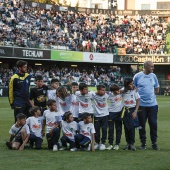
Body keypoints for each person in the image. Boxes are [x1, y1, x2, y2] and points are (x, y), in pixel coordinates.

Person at [133, 61, 160, 150]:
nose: (153, 68)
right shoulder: (137, 76)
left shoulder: (154, 76)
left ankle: (154, 143)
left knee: (153, 124)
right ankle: (143, 143)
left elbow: (157, 89)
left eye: (153, 66)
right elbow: (134, 88)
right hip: (141, 105)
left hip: (153, 105)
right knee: (142, 124)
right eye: (151, 66)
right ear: (146, 67)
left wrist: (151, 95)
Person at [122, 78, 140, 151]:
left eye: (132, 83)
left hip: (132, 110)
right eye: (130, 84)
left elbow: (138, 100)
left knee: (132, 127)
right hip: (125, 110)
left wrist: (135, 111)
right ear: (126, 84)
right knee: (126, 127)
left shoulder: (135, 91)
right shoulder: (123, 90)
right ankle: (128, 143)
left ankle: (132, 143)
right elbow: (115, 91)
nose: (132, 85)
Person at [106, 84, 123, 151]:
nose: (118, 91)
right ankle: (110, 144)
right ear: (112, 91)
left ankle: (117, 144)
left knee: (118, 129)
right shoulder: (109, 94)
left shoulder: (121, 92)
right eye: (116, 90)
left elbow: (126, 87)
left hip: (119, 113)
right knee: (111, 129)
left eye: (118, 90)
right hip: (111, 113)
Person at [93, 85, 109, 151]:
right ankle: (97, 142)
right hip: (97, 115)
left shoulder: (107, 94)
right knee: (96, 129)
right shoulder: (93, 95)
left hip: (105, 115)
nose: (104, 91)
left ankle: (103, 143)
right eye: (102, 90)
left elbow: (119, 91)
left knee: (104, 129)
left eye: (104, 90)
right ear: (98, 90)